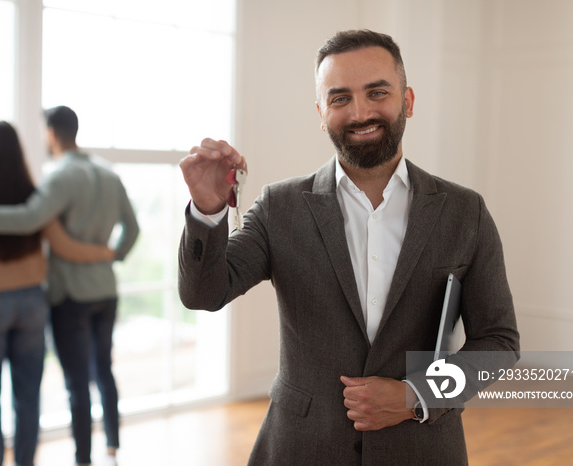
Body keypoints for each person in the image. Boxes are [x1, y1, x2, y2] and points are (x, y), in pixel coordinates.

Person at [178, 29, 520, 465]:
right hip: (301, 448)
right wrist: (208, 211)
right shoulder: (279, 207)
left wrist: (417, 395)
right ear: (321, 113)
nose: (360, 112)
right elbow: (203, 294)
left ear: (408, 101)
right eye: (340, 98)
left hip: (421, 449)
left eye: (377, 92)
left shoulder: (464, 211)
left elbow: (499, 342)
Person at [0, 107, 139, 466]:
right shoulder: (108, 174)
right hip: (103, 290)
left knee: (73, 385)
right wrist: (111, 257)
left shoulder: (57, 179)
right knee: (102, 369)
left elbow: (28, 220)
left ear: (52, 133)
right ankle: (112, 447)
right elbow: (132, 230)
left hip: (69, 294)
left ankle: (82, 460)